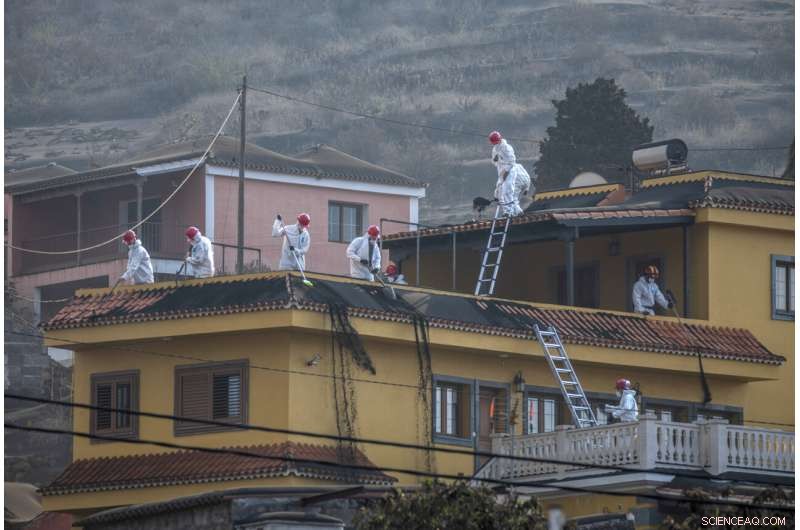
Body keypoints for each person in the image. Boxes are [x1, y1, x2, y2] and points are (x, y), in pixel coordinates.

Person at [489, 131, 533, 217]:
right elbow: (494, 161)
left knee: (507, 190)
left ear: (499, 139)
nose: (495, 144)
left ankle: (509, 212)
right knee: (501, 190)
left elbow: (512, 161)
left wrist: (506, 171)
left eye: (495, 142)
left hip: (509, 171)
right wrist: (495, 160)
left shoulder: (507, 148)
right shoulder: (495, 149)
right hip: (502, 171)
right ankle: (516, 211)